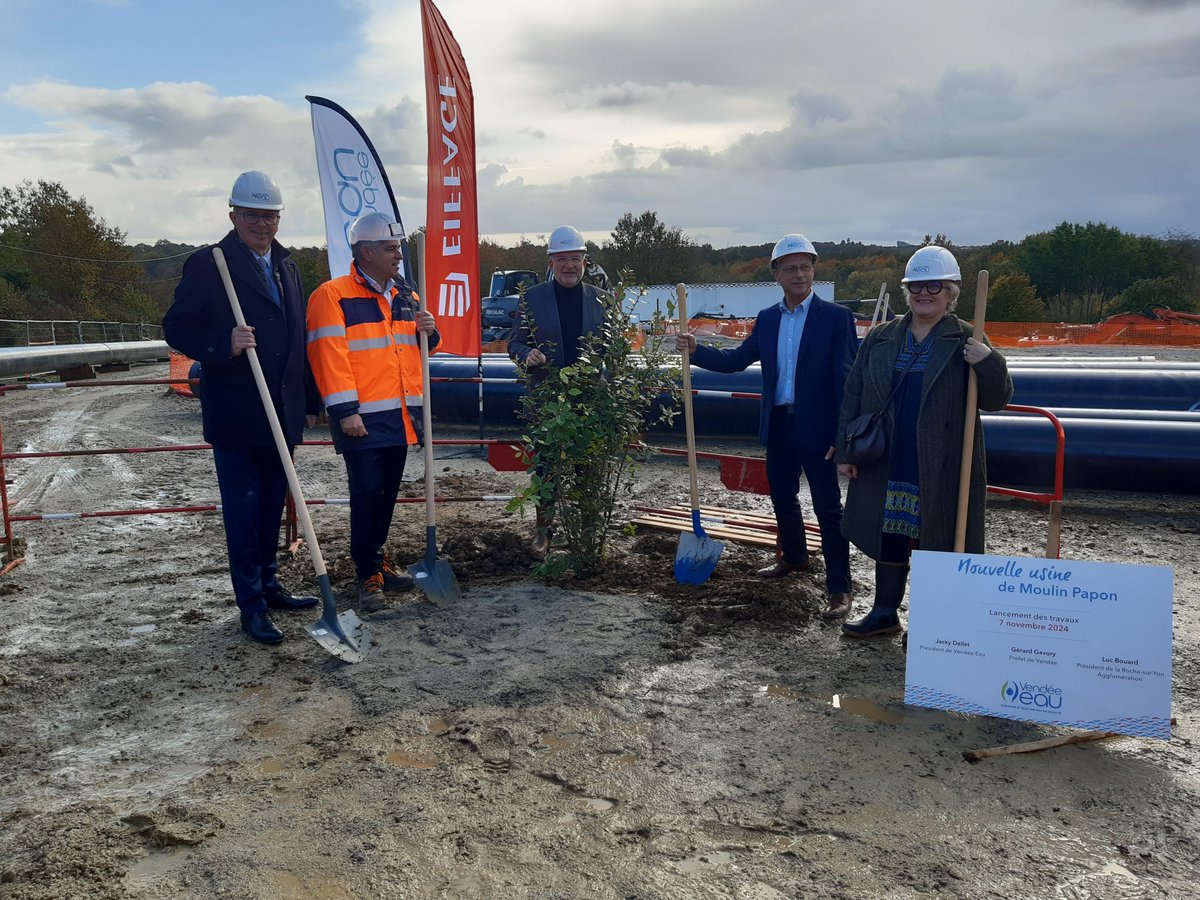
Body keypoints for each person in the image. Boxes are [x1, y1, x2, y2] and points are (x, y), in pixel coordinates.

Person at [163, 171, 320, 646]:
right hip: (238, 412)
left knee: (271, 506)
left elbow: (297, 339)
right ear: (233, 215)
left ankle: (270, 586)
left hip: (282, 412)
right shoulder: (210, 264)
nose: (262, 224)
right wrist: (222, 343)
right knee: (244, 512)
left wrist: (309, 399)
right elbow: (176, 327)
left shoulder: (288, 267)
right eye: (252, 214)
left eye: (270, 215)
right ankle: (251, 604)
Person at [676, 234, 856, 618]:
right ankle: (794, 556)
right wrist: (696, 351)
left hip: (820, 429)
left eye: (805, 266)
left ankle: (840, 588)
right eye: (790, 268)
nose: (799, 274)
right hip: (779, 424)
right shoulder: (769, 319)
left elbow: (847, 381)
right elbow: (737, 360)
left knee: (828, 508)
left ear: (814, 270)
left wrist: (842, 436)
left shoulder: (836, 318)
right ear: (776, 274)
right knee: (782, 496)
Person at [837, 245, 1013, 638]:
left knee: (937, 539)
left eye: (934, 286)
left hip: (942, 461)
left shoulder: (966, 338)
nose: (924, 293)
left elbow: (997, 399)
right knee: (889, 532)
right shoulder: (881, 337)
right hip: (887, 457)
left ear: (950, 293)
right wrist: (846, 451)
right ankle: (885, 612)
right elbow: (853, 393)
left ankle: (930, 626)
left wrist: (987, 361)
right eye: (916, 286)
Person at [306, 212, 439, 613]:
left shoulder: (406, 296)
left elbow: (417, 351)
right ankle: (367, 574)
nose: (398, 255)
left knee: (385, 497)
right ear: (365, 252)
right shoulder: (332, 296)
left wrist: (430, 331)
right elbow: (328, 357)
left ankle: (376, 562)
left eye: (398, 247)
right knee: (366, 495)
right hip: (360, 419)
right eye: (390, 248)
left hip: (399, 416)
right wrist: (345, 411)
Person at [507, 225, 608, 554]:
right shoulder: (532, 298)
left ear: (585, 262)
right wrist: (526, 354)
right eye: (561, 259)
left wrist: (608, 388)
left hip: (588, 400)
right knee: (545, 468)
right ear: (550, 263)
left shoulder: (601, 299)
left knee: (587, 468)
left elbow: (613, 350)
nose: (569, 265)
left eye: (575, 259)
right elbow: (514, 343)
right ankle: (543, 532)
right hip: (546, 399)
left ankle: (586, 532)